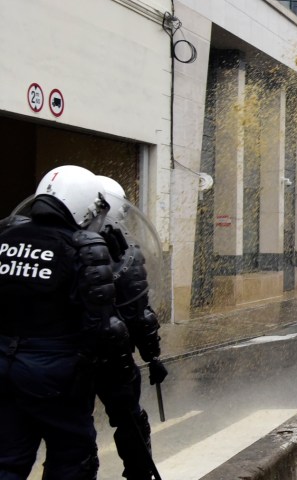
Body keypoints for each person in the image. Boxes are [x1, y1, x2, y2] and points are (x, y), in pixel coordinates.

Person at [0, 165, 130, 479]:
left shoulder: (6, 236)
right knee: (73, 460)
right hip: (56, 377)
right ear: (84, 204)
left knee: (7, 460)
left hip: (4, 365)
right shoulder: (81, 248)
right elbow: (100, 327)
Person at [94, 175, 166, 480]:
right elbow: (140, 315)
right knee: (131, 422)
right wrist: (152, 356)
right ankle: (139, 475)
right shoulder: (127, 255)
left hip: (65, 354)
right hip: (114, 359)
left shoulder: (62, 244)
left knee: (69, 433)